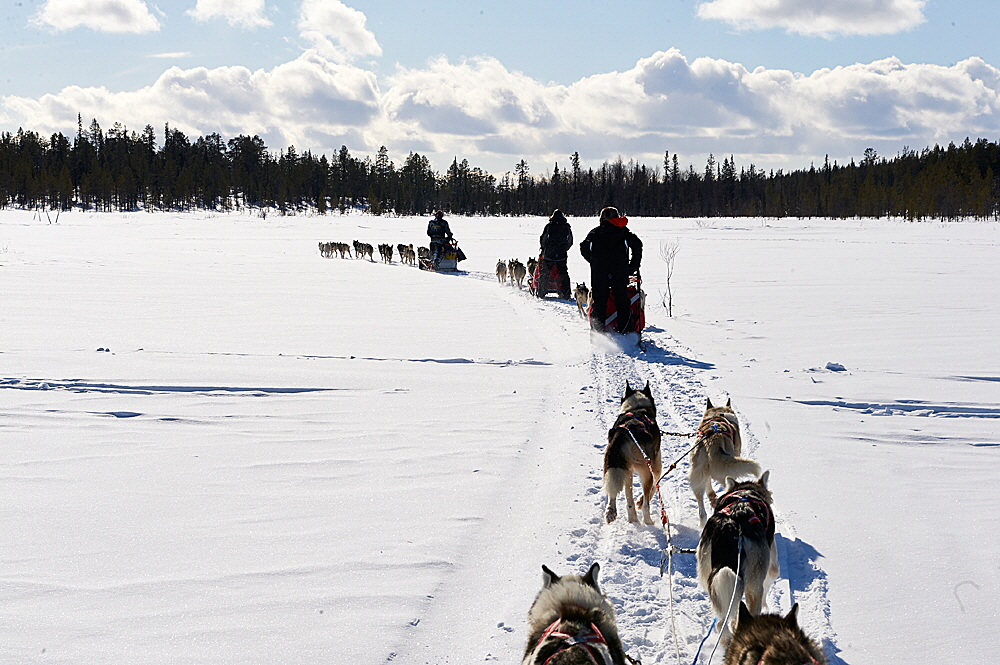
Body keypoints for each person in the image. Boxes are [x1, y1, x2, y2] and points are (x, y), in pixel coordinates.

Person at [580, 206, 642, 333]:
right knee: (622, 302)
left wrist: (593, 261)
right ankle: (626, 333)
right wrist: (633, 266)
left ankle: (598, 333)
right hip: (619, 272)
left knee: (599, 302)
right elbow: (637, 245)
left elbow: (583, 247)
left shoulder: (595, 232)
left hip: (600, 273)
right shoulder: (623, 231)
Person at [538, 209, 574, 298]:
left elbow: (543, 238)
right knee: (563, 273)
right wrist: (565, 248)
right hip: (561, 254)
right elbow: (570, 240)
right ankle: (566, 293)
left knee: (545, 272)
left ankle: (541, 292)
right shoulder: (566, 227)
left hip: (549, 253)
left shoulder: (549, 226)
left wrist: (544, 248)